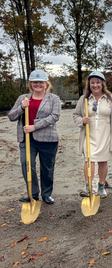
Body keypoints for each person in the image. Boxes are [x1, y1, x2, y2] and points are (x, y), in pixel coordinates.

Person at [8, 70, 61, 204]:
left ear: (46, 83)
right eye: (34, 82)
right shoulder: (23, 98)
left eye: (40, 82)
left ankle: (47, 194)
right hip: (26, 139)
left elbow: (55, 117)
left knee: (47, 168)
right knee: (27, 164)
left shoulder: (53, 98)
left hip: (48, 139)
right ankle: (33, 192)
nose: (37, 84)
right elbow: (11, 116)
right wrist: (21, 107)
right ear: (30, 84)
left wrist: (34, 126)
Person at [73, 71, 112, 198]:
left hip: (105, 135)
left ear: (102, 83)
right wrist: (81, 121)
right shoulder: (84, 99)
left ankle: (101, 185)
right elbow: (75, 115)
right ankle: (89, 186)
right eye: (92, 82)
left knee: (103, 162)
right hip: (89, 135)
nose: (95, 85)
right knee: (89, 160)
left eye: (98, 82)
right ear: (89, 84)